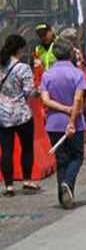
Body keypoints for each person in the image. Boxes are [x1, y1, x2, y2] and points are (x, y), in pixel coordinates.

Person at [40, 39, 86, 209]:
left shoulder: (47, 75)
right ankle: (68, 183)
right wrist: (71, 119)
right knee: (77, 156)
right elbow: (78, 98)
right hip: (75, 122)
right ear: (70, 53)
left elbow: (45, 100)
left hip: (54, 123)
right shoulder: (77, 74)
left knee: (61, 160)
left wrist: (63, 109)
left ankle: (63, 196)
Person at [0, 34, 39, 196]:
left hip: (3, 114)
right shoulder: (23, 68)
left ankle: (8, 186)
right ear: (18, 49)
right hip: (22, 114)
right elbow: (29, 91)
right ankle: (27, 181)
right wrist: (40, 92)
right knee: (27, 148)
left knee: (6, 151)